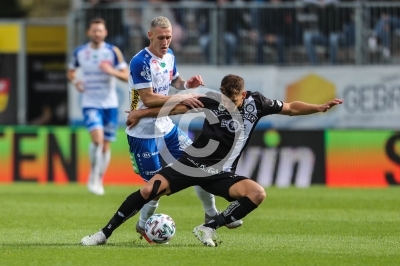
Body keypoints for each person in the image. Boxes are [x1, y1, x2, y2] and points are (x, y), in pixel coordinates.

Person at [80, 74, 343, 247]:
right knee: (149, 189)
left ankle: (210, 227)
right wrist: (142, 113)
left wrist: (318, 108)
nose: (228, 104)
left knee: (257, 194)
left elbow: (291, 107)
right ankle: (104, 233)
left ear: (243, 94)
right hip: (190, 164)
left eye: (233, 100)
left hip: (220, 172)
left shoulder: (258, 103)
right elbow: (177, 108)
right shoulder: (212, 101)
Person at [124, 16, 242, 243]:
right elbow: (147, 99)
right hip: (143, 133)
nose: (165, 42)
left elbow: (175, 80)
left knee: (200, 166)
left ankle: (211, 214)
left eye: (168, 37)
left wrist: (187, 85)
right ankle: (142, 224)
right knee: (154, 189)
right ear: (150, 36)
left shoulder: (169, 56)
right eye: (160, 37)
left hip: (167, 128)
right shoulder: (140, 62)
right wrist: (183, 96)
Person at [67, 18, 129, 195]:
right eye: (94, 30)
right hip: (90, 102)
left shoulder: (112, 52)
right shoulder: (80, 52)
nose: (97, 33)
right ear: (89, 32)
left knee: (105, 146)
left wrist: (111, 71)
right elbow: (71, 72)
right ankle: (93, 175)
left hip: (110, 104)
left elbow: (125, 76)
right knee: (97, 139)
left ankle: (99, 179)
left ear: (105, 32)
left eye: (100, 31)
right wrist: (76, 81)